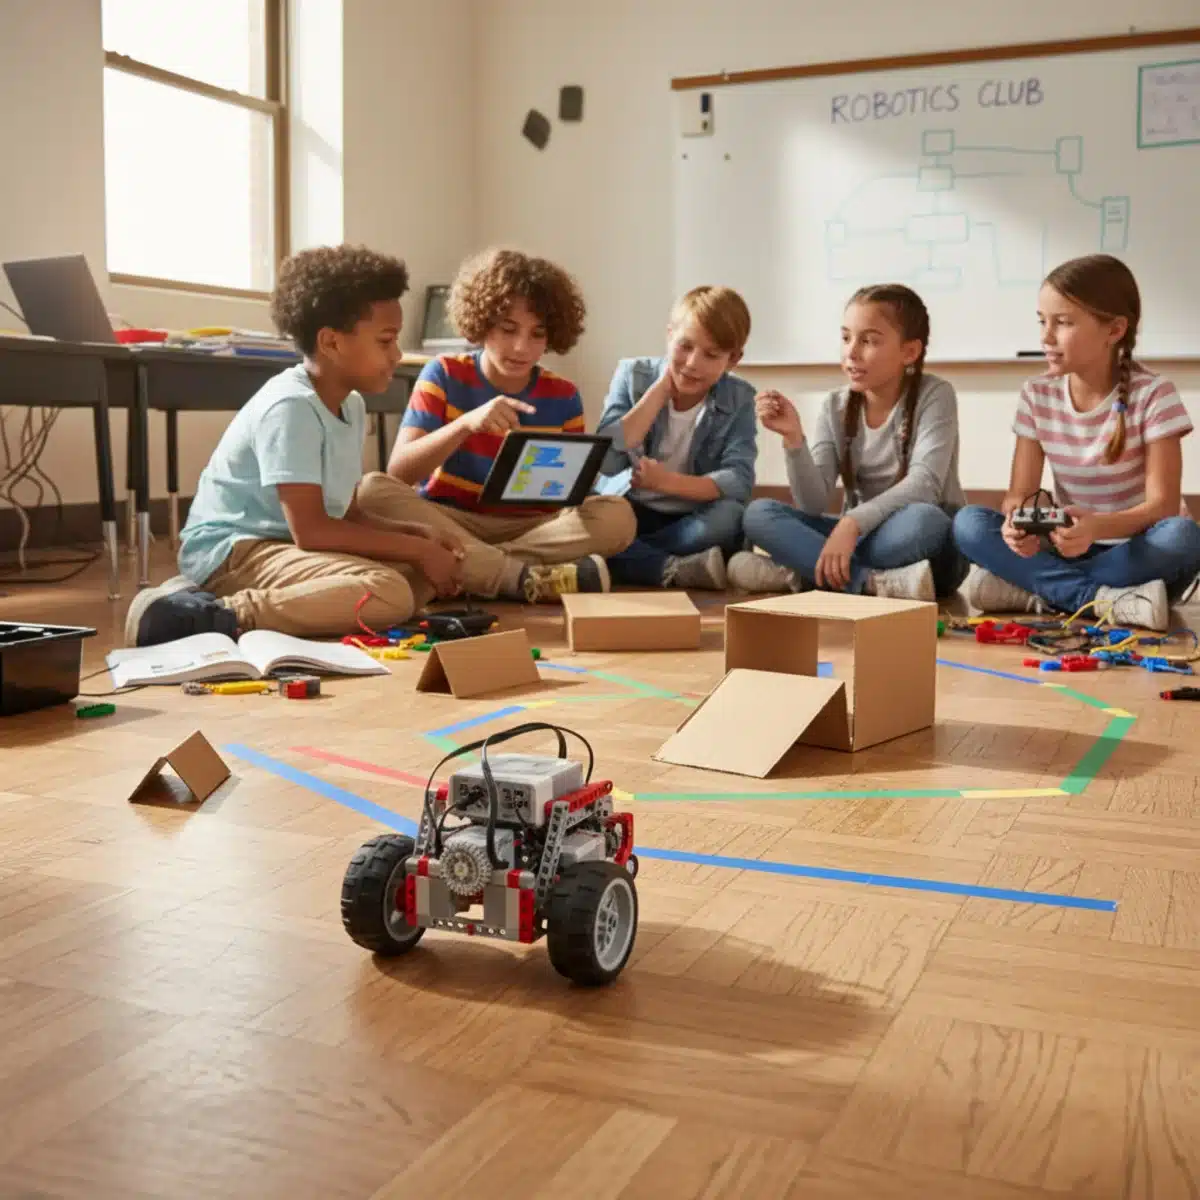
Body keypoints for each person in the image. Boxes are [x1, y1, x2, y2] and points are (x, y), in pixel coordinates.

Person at [125, 244, 464, 648]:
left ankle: (231, 600)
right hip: (235, 550)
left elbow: (347, 512)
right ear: (331, 342)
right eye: (385, 340)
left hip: (283, 545)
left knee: (416, 577)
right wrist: (415, 548)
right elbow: (312, 530)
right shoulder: (290, 407)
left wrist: (418, 536)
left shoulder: (350, 404)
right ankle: (210, 615)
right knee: (388, 591)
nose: (396, 355)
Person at [356, 247, 635, 603]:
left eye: (538, 334)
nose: (521, 347)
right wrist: (466, 425)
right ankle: (521, 576)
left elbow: (568, 497)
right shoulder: (443, 373)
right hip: (450, 519)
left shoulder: (563, 395)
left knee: (618, 515)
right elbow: (398, 473)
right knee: (371, 492)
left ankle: (476, 570)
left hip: (529, 526)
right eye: (508, 329)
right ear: (483, 321)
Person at [953, 254, 1200, 632]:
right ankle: (1098, 600)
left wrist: (1098, 528)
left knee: (1182, 537)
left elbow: (1163, 506)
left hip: (1133, 550)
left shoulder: (1155, 394)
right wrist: (1017, 528)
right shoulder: (1037, 394)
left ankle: (1034, 590)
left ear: (1114, 330)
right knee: (969, 523)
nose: (1045, 337)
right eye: (1042, 321)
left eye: (1063, 323)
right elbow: (1019, 495)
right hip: (1064, 546)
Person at [729, 283, 966, 601]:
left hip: (923, 545)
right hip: (857, 538)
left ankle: (804, 574)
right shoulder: (835, 405)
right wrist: (794, 439)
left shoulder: (935, 395)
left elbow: (925, 485)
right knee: (758, 514)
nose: (851, 352)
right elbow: (812, 504)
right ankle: (869, 582)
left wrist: (852, 523)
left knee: (927, 520)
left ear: (909, 352)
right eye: (845, 338)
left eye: (868, 341)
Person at [594, 286, 756, 590]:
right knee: (590, 511)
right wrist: (658, 393)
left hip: (692, 517)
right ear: (669, 336)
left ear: (732, 360)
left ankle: (633, 556)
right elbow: (605, 457)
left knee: (730, 516)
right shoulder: (633, 375)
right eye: (685, 346)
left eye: (711, 355)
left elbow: (739, 479)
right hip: (630, 510)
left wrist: (664, 482)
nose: (693, 363)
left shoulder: (740, 398)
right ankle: (673, 567)